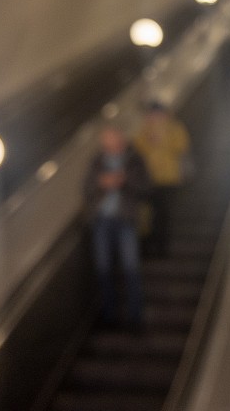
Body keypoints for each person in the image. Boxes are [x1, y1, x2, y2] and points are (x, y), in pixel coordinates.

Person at [84, 125, 150, 329]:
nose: (108, 143)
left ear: (120, 139)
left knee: (131, 267)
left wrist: (124, 180)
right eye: (105, 139)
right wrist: (101, 183)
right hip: (102, 220)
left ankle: (135, 316)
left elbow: (146, 187)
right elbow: (86, 188)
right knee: (103, 268)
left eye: (111, 138)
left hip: (125, 220)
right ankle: (109, 314)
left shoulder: (134, 159)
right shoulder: (97, 161)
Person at [133, 101, 191, 257]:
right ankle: (148, 245)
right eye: (152, 114)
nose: (156, 118)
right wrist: (149, 138)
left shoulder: (175, 128)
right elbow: (137, 150)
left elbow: (181, 147)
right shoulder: (144, 131)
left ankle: (162, 247)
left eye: (158, 114)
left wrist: (164, 137)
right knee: (147, 214)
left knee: (163, 213)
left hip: (169, 178)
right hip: (149, 179)